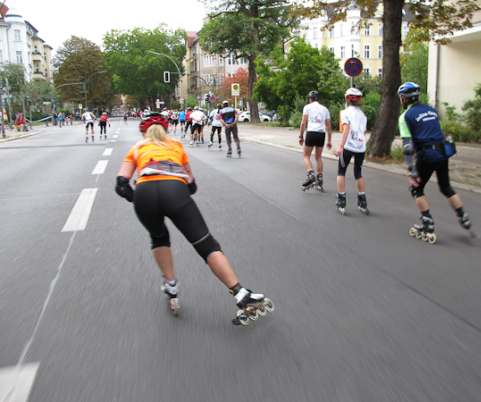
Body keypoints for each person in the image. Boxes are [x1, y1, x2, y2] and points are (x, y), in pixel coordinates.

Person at [114, 113, 269, 322]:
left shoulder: (137, 148)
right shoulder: (176, 145)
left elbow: (121, 185)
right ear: (166, 130)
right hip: (174, 191)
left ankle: (171, 286)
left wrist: (139, 200)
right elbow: (192, 185)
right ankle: (240, 293)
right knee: (206, 245)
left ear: (144, 133)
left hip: (144, 193)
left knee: (159, 238)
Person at [398, 82, 473, 242]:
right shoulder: (431, 110)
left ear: (404, 99)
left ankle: (427, 223)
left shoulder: (405, 116)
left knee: (417, 189)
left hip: (427, 156)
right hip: (442, 153)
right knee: (446, 187)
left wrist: (411, 168)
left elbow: (408, 145)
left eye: (401, 97)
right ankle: (463, 216)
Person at [334, 88, 369, 215]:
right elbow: (363, 133)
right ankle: (362, 201)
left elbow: (346, 130)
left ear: (347, 99)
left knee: (341, 172)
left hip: (348, 147)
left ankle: (341, 200)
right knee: (358, 173)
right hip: (361, 147)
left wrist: (341, 147)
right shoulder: (363, 115)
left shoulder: (346, 113)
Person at [299, 90, 332, 192]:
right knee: (318, 157)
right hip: (321, 134)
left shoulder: (307, 107)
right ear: (319, 99)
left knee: (306, 156)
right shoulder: (325, 109)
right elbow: (329, 126)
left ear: (310, 99)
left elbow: (303, 123)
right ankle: (320, 179)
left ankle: (311, 175)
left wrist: (301, 136)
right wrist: (329, 140)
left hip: (311, 132)